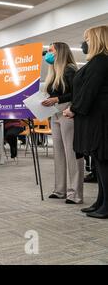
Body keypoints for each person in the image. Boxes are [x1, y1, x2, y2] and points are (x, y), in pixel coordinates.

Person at [64, 25, 108, 219]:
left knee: (104, 162)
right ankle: (101, 201)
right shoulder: (98, 62)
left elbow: (89, 91)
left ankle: (106, 206)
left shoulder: (101, 61)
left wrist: (73, 109)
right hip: (94, 118)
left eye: (88, 39)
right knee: (99, 163)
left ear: (97, 40)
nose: (85, 43)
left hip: (99, 120)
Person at [41, 42, 84, 204]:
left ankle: (75, 193)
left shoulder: (70, 70)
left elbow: (77, 94)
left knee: (72, 153)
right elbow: (54, 94)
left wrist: (57, 99)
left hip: (68, 112)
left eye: (51, 51)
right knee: (58, 153)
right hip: (55, 113)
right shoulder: (54, 72)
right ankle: (60, 190)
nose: (48, 54)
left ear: (60, 52)